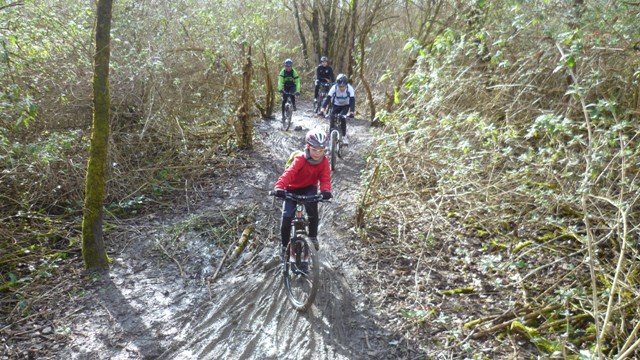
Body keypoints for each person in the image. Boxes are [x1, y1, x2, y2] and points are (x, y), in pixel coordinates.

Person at [273, 129, 332, 255]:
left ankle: (312, 237)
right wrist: (279, 187)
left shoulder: (324, 161)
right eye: (314, 150)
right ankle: (284, 246)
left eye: (321, 150)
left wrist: (325, 191)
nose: (317, 153)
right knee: (287, 217)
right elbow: (289, 173)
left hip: (309, 187)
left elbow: (325, 178)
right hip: (292, 187)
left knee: (312, 212)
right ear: (308, 147)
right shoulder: (300, 159)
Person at [320, 73, 355, 145]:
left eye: (343, 86)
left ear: (346, 85)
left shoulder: (350, 89)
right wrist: (322, 109)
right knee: (332, 117)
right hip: (336, 105)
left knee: (342, 118)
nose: (342, 88)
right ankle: (330, 136)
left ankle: (344, 136)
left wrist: (352, 111)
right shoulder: (334, 87)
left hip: (345, 105)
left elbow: (352, 100)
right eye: (340, 86)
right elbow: (328, 98)